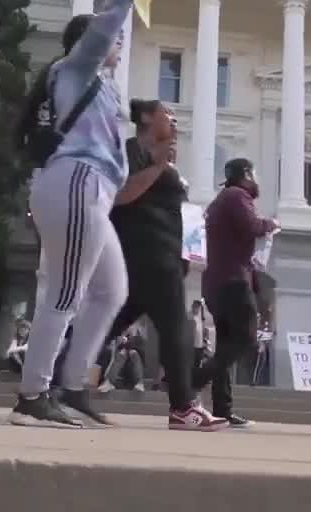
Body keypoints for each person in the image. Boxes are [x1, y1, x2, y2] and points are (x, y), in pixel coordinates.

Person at [7, 0, 148, 428]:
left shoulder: (102, 85)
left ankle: (70, 386)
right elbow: (110, 18)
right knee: (66, 293)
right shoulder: (77, 68)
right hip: (75, 183)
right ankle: (31, 395)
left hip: (93, 192)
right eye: (112, 40)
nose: (119, 43)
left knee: (112, 290)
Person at [103, 98, 225, 429]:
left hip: (165, 257)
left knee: (104, 323)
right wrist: (157, 166)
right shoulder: (129, 151)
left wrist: (189, 252)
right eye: (167, 116)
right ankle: (183, 406)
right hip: (145, 253)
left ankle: (51, 375)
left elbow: (179, 212)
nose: (174, 123)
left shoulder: (167, 163)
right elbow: (120, 196)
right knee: (176, 331)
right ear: (145, 118)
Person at [193, 158, 278, 429]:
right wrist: (271, 224)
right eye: (254, 174)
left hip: (218, 282)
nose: (257, 181)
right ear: (246, 174)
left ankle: (223, 409)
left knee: (226, 346)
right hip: (232, 281)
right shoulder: (236, 196)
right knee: (245, 338)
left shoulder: (222, 199)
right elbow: (251, 226)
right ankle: (191, 382)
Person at [98, 323, 147, 392]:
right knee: (122, 353)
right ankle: (108, 382)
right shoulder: (123, 340)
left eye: (132, 327)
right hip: (122, 371)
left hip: (135, 372)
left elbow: (137, 350)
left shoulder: (139, 340)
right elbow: (117, 352)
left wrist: (127, 346)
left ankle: (140, 383)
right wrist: (123, 341)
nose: (129, 329)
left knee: (133, 353)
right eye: (128, 327)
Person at [190, 299, 211, 370]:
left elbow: (200, 333)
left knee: (198, 366)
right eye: (196, 308)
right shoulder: (190, 318)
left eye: (198, 308)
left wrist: (204, 342)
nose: (197, 310)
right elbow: (191, 334)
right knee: (193, 367)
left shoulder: (198, 319)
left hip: (199, 347)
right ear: (192, 307)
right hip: (193, 348)